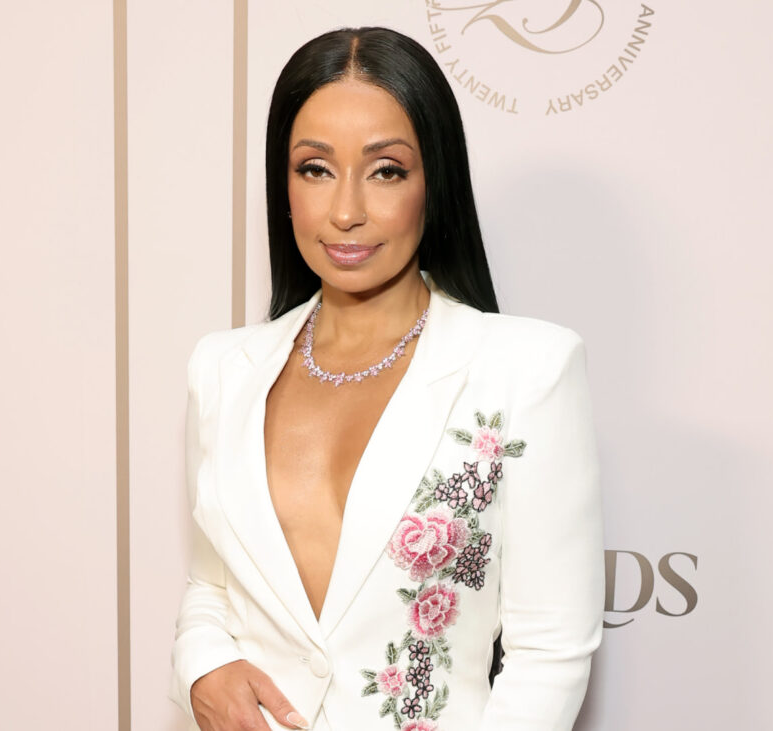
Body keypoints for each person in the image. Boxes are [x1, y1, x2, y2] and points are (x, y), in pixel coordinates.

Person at [169, 26, 603, 731]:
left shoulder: (527, 371)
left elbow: (549, 655)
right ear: (284, 185)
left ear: (435, 182)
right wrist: (202, 667)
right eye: (315, 168)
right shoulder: (221, 370)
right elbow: (209, 587)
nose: (346, 211)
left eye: (386, 171)